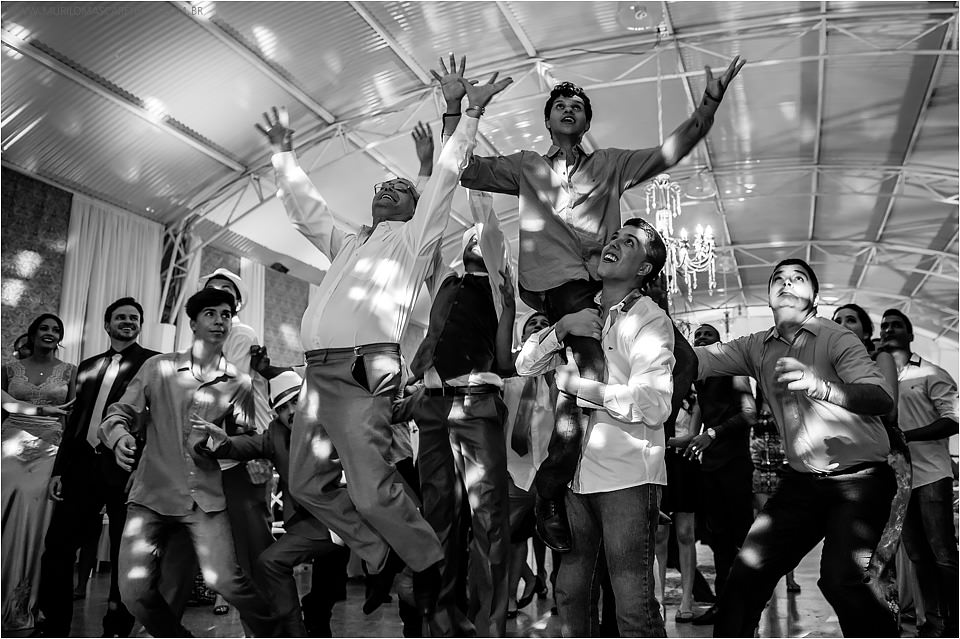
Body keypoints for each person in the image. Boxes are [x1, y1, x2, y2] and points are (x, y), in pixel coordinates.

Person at [438, 51, 745, 552]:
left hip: (605, 287)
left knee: (684, 360)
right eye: (559, 103)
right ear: (548, 119)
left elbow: (673, 149)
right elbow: (463, 169)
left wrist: (709, 103)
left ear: (585, 122)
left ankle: (641, 452)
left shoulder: (610, 164)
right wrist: (457, 108)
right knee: (589, 380)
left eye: (577, 105)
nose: (568, 107)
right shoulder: (526, 166)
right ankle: (550, 491)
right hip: (561, 287)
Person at [257, 70, 513, 618]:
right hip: (315, 379)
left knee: (373, 490)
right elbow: (307, 212)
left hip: (358, 374)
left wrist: (464, 113)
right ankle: (379, 555)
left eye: (398, 187)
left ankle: (426, 561)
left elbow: (444, 178)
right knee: (304, 483)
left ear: (412, 205)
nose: (386, 188)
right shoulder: (349, 242)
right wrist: (284, 157)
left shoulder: (414, 242)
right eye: (380, 186)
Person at [694, 258, 898, 637]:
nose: (786, 284)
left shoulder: (837, 337)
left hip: (859, 480)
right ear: (769, 296)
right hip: (802, 484)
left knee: (840, 579)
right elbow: (696, 360)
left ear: (814, 296)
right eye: (778, 279)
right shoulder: (757, 346)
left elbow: (881, 398)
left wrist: (821, 385)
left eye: (798, 278)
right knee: (745, 575)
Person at [516, 217, 675, 637]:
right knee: (569, 595)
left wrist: (581, 388)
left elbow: (654, 403)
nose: (615, 243)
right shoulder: (579, 310)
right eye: (616, 237)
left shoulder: (649, 320)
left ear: (643, 269)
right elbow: (524, 363)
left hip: (627, 475)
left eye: (630, 243)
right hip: (575, 475)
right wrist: (562, 329)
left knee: (632, 604)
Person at [99, 288, 278, 637]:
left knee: (226, 580)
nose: (220, 320)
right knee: (133, 593)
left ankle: (275, 632)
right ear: (193, 322)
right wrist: (119, 438)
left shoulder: (237, 383)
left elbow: (253, 438)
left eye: (226, 314)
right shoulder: (157, 368)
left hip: (204, 498)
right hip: (151, 494)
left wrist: (226, 442)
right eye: (210, 313)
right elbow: (119, 412)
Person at [406, 183, 516, 636]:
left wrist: (465, 150)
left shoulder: (496, 285)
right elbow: (426, 242)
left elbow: (485, 218)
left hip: (475, 402)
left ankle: (492, 621)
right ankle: (442, 619)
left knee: (489, 516)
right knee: (439, 518)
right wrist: (430, 177)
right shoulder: (446, 285)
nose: (472, 235)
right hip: (433, 405)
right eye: (466, 235)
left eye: (479, 236)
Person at [195, 369, 350, 637]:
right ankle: (295, 631)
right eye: (282, 407)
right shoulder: (276, 433)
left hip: (344, 516)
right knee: (273, 563)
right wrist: (219, 442)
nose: (291, 411)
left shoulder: (334, 421)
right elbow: (248, 444)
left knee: (328, 590)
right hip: (308, 523)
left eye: (295, 401)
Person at [37, 298, 159, 637]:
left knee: (124, 549)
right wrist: (59, 469)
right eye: (120, 317)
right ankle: (54, 623)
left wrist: (144, 464)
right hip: (81, 466)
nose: (127, 322)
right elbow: (75, 420)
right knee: (59, 545)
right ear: (107, 325)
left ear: (139, 325)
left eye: (133, 318)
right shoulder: (88, 365)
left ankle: (117, 627)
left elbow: (154, 418)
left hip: (125, 465)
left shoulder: (153, 363)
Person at [880, 308, 958, 637]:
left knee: (942, 554)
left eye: (897, 325)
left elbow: (953, 419)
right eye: (885, 326)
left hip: (931, 475)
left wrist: (908, 437)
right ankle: (933, 622)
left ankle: (954, 623)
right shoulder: (877, 377)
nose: (889, 330)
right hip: (899, 482)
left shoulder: (932, 373)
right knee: (917, 556)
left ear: (911, 335)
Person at [832, 303, 911, 623]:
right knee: (844, 568)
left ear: (867, 332)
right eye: (836, 320)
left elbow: (889, 410)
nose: (842, 323)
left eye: (851, 320)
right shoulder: (830, 365)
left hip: (885, 462)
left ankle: (886, 624)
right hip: (845, 468)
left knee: (877, 559)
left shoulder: (880, 359)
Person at [1, 313, 76, 632]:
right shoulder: (8, 368)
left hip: (50, 447)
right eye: (44, 328)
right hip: (10, 443)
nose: (49, 332)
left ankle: (23, 600)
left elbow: (72, 417)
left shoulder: (70, 370)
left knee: (35, 517)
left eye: (55, 330)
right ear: (31, 335)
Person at [681, 323, 756, 626]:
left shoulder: (733, 370)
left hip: (735, 464)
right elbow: (699, 415)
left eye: (707, 334)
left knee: (742, 539)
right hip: (710, 465)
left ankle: (746, 605)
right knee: (719, 542)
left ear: (720, 342)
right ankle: (724, 605)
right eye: (697, 336)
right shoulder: (700, 377)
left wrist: (713, 432)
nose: (700, 338)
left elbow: (750, 413)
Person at [501, 311, 554, 619]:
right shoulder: (507, 370)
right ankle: (513, 592)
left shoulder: (562, 372)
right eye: (532, 323)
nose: (538, 325)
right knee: (512, 536)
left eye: (544, 323)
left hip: (549, 467)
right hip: (513, 468)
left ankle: (548, 584)